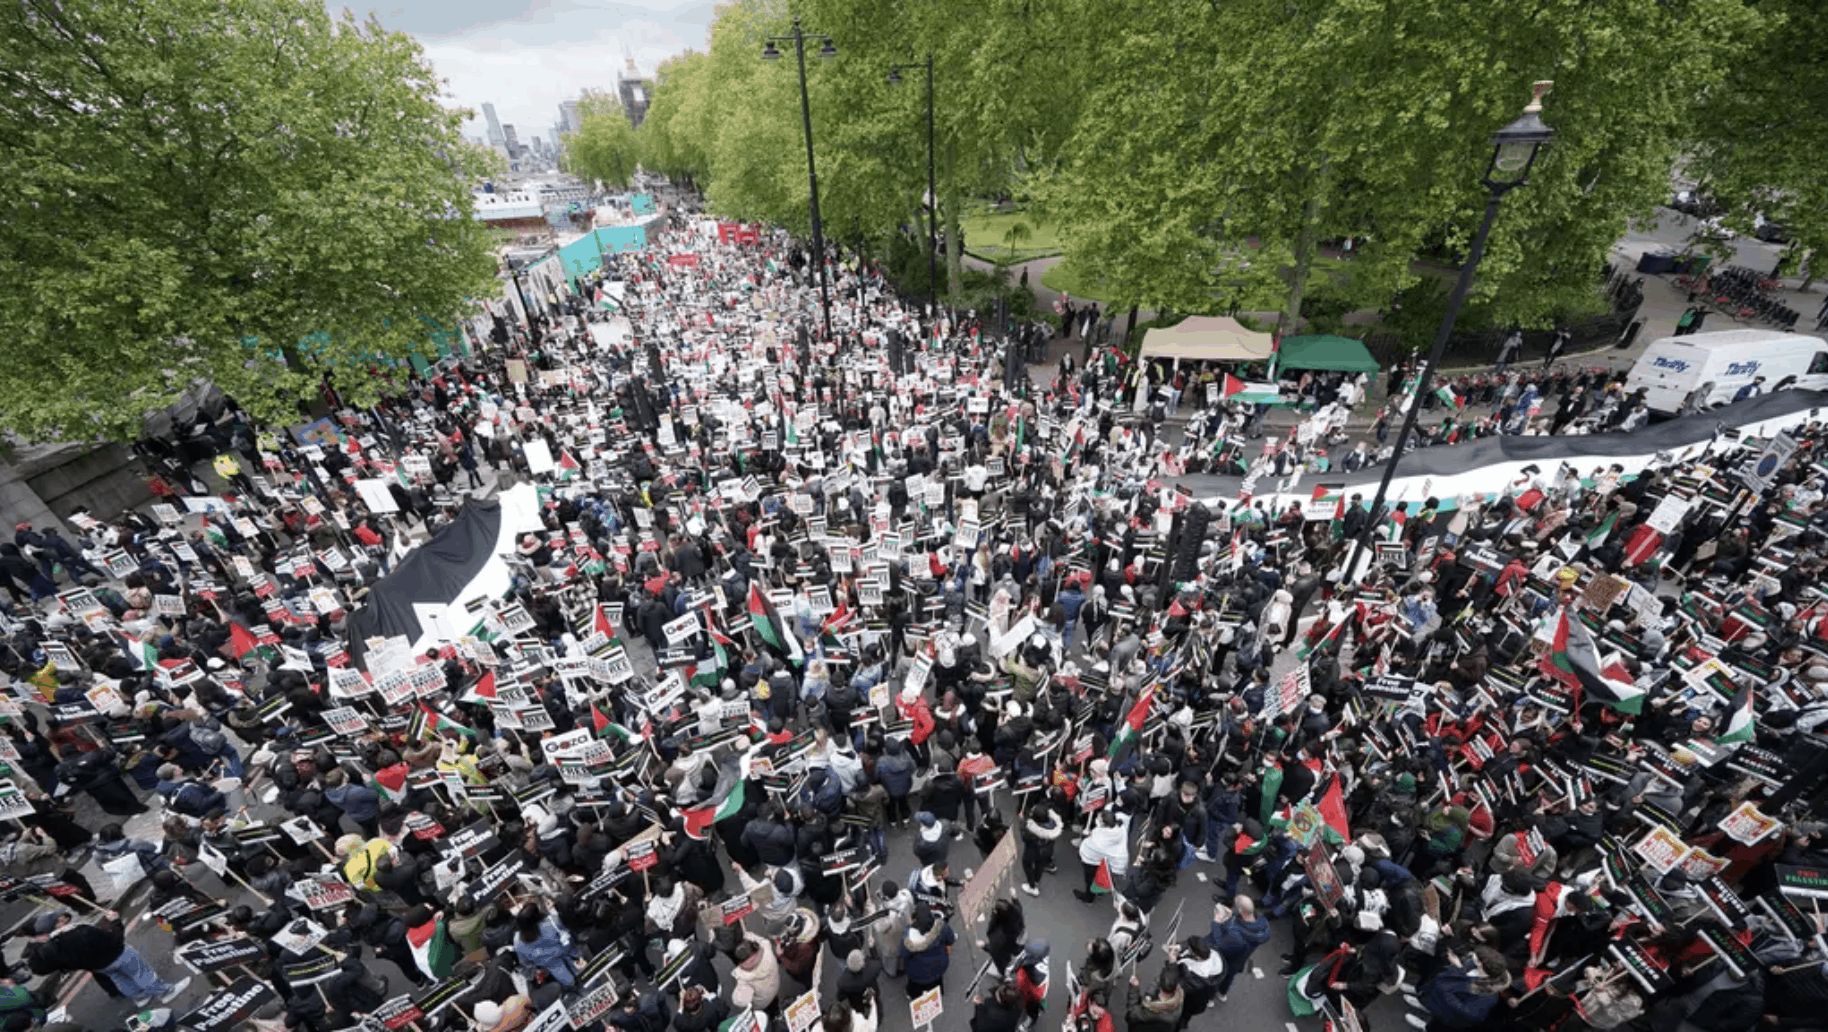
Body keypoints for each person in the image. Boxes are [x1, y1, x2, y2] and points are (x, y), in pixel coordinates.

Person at [26, 909, 190, 1007]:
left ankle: (140, 998)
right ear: (59, 924)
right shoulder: (82, 931)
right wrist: (116, 922)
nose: (63, 917)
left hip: (100, 967)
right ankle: (165, 992)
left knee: (121, 980)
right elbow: (115, 940)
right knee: (142, 974)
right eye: (59, 918)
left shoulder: (51, 948)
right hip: (119, 955)